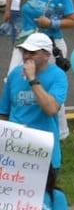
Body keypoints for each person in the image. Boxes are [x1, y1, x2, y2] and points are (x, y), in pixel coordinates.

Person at [0, 33, 68, 170]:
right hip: (14, 151)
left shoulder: (58, 76)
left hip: (44, 153)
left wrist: (32, 79)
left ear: (47, 55)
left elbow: (51, 109)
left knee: (46, 192)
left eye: (32, 53)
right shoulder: (15, 74)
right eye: (25, 51)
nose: (26, 56)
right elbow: (4, 113)